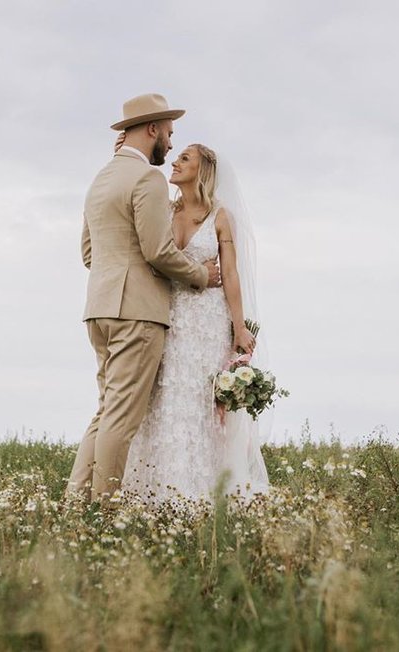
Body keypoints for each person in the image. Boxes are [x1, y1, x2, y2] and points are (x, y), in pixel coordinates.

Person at [67, 93, 222, 506]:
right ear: (152, 129)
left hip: (98, 310)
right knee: (120, 419)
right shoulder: (147, 179)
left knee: (104, 414)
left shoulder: (101, 178)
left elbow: (88, 254)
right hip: (137, 314)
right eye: (169, 134)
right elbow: (157, 249)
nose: (171, 145)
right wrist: (200, 275)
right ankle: (103, 511)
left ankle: (75, 505)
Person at [122, 143, 271, 506]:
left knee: (201, 403)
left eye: (184, 158)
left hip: (207, 321)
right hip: (168, 317)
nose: (175, 161)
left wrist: (239, 328)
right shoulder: (165, 210)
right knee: (165, 399)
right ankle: (157, 493)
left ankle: (204, 493)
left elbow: (231, 275)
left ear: (202, 170)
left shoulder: (221, 216)